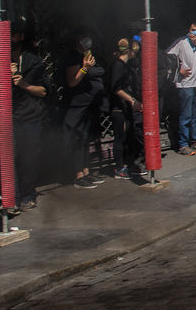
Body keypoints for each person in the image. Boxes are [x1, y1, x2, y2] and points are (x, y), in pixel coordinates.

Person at [10, 24, 50, 209]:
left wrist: (23, 84)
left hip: (30, 117)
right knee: (10, 158)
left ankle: (28, 194)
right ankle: (13, 197)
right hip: (9, 117)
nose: (11, 40)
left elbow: (44, 91)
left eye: (14, 35)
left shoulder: (33, 62)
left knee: (29, 157)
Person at [60, 33, 106, 187]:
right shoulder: (72, 56)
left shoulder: (86, 54)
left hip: (89, 105)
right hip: (77, 106)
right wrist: (85, 68)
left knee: (86, 139)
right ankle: (78, 175)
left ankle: (86, 172)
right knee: (78, 140)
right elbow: (72, 81)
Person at [168, 21, 196, 155]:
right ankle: (183, 144)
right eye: (192, 30)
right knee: (186, 115)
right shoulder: (181, 43)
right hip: (186, 84)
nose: (195, 32)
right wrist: (178, 70)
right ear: (188, 30)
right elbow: (167, 57)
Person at [107, 38, 142, 178]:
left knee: (128, 137)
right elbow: (115, 88)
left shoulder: (127, 66)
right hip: (118, 106)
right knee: (120, 137)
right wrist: (132, 100)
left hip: (126, 107)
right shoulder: (117, 65)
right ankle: (119, 167)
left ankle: (129, 164)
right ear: (130, 51)